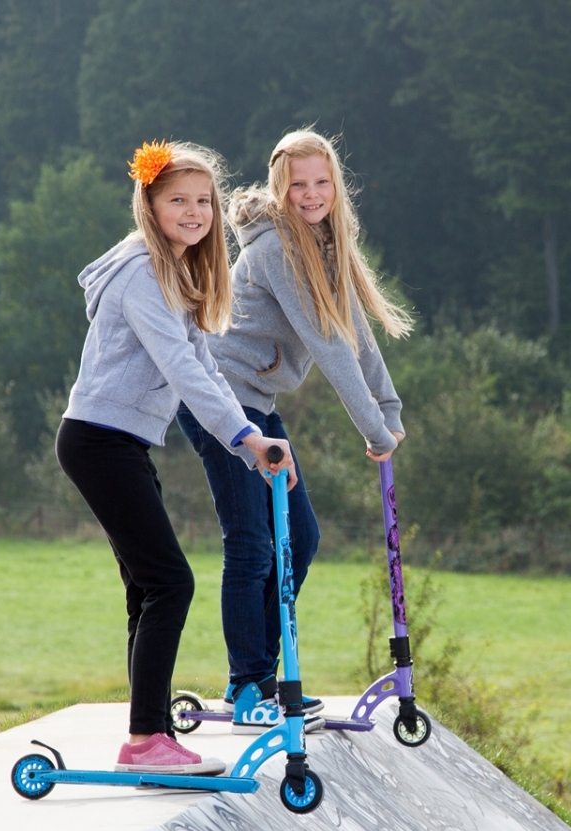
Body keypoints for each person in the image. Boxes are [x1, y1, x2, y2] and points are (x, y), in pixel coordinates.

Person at [56, 140, 294, 774]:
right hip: (99, 441)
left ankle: (151, 733)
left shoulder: (176, 272)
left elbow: (208, 369)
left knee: (147, 589)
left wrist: (250, 438)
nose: (193, 213)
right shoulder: (141, 272)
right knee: (171, 583)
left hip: (118, 441)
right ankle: (143, 741)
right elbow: (182, 371)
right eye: (176, 202)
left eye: (203, 202)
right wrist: (246, 440)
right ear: (149, 206)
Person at [176, 130, 413, 725]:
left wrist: (389, 413)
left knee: (300, 539)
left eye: (321, 182)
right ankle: (249, 683)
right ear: (281, 190)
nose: (311, 194)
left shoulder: (323, 250)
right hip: (221, 401)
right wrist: (372, 432)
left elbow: (355, 335)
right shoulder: (280, 250)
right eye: (298, 184)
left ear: (336, 187)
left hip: (255, 402)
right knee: (252, 541)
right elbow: (330, 348)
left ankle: (258, 673)